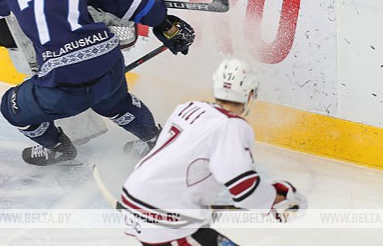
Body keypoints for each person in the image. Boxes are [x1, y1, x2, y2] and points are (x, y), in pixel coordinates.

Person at [0, 0, 196, 166]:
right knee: (115, 102)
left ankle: (59, 148)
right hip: (106, 61)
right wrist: (163, 22)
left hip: (61, 81)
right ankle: (155, 140)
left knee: (12, 107)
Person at [120, 58, 307, 246]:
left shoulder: (189, 107)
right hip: (164, 215)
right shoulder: (232, 126)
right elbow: (245, 191)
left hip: (135, 196)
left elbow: (174, 162)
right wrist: (275, 199)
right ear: (250, 94)